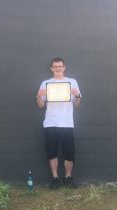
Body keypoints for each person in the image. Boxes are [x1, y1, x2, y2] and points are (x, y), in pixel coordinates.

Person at [36, 57, 81, 190]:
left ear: (64, 67)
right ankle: (55, 178)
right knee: (52, 153)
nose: (58, 69)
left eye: (60, 66)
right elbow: (40, 105)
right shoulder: (45, 83)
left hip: (67, 123)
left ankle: (67, 178)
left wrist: (77, 96)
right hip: (50, 123)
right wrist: (39, 97)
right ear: (52, 69)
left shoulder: (72, 82)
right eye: (55, 67)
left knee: (69, 153)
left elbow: (77, 104)